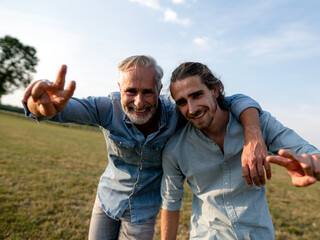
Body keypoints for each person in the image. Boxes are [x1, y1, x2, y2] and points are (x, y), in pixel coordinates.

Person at [21, 55, 269, 240]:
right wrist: (40, 106)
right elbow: (57, 109)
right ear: (119, 89)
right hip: (107, 200)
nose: (139, 102)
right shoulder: (107, 108)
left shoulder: (178, 112)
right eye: (130, 91)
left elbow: (234, 100)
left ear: (159, 90)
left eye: (147, 92)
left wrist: (253, 134)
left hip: (144, 212)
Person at [160, 62, 320, 240]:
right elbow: (170, 203)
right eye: (182, 102)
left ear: (214, 90)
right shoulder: (175, 149)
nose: (192, 108)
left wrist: (316, 165)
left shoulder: (259, 124)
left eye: (197, 95)